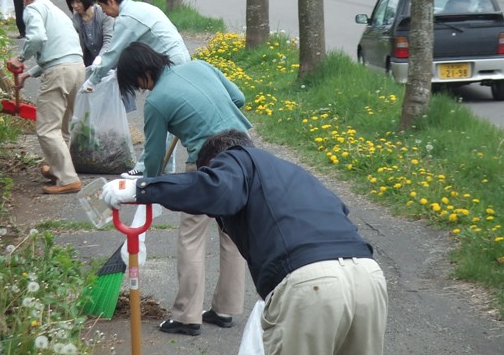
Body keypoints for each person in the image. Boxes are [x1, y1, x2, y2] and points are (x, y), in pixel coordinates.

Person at [101, 129, 388, 353]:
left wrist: (141, 188)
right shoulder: (294, 175)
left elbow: (215, 188)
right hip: (368, 278)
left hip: (311, 284)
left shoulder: (237, 158)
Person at [115, 42, 252, 336]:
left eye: (136, 83)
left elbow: (152, 157)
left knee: (192, 235)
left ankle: (188, 317)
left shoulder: (157, 102)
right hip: (246, 155)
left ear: (143, 73)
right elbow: (238, 98)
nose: (140, 90)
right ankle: (225, 309)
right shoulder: (200, 65)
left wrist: (150, 190)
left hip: (209, 162)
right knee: (232, 232)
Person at [81, 0, 191, 177]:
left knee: (160, 113)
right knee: (168, 117)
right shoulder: (140, 7)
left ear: (111, 1)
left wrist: (93, 80)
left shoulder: (127, 18)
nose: (104, 12)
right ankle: (165, 165)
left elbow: (113, 52)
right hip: (178, 57)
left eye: (103, 7)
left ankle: (144, 168)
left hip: (171, 63)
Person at [7, 0, 85, 195]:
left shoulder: (32, 9)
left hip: (58, 73)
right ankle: (56, 169)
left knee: (47, 129)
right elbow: (59, 50)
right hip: (78, 68)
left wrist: (21, 58)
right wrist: (28, 74)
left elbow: (38, 38)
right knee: (62, 127)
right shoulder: (57, 11)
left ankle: (68, 179)